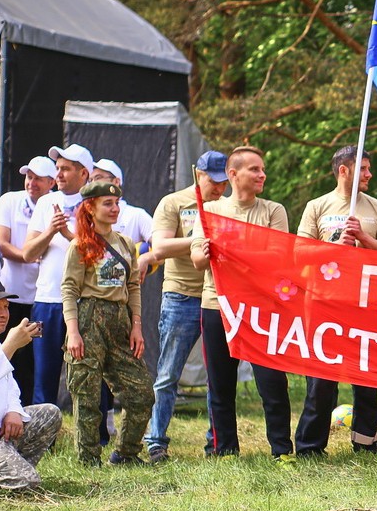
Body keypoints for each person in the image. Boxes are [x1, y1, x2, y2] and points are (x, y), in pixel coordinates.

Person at [191, 146, 296, 462]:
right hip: (216, 306)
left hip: (261, 307)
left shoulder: (273, 210)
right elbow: (198, 258)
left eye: (262, 169)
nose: (262, 174)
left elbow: (279, 257)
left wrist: (231, 251)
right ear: (233, 174)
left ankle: (281, 450)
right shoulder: (210, 212)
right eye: (254, 169)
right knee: (220, 385)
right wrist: (208, 253)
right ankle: (224, 449)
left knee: (272, 383)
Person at [295, 146, 377, 456]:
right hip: (323, 303)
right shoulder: (317, 206)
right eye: (364, 168)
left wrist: (366, 240)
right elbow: (299, 251)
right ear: (344, 171)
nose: (370, 174)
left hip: (367, 303)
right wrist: (333, 246)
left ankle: (366, 444)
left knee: (366, 374)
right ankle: (310, 447)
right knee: (320, 378)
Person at [142, 151, 229, 462]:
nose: (219, 188)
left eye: (224, 182)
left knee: (217, 376)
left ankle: (216, 443)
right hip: (180, 296)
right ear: (197, 174)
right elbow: (160, 247)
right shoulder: (174, 203)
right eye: (214, 181)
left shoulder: (228, 207)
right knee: (167, 374)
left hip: (217, 299)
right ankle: (156, 442)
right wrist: (199, 240)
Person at [60, 181, 155, 466]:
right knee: (86, 395)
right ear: (90, 207)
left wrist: (136, 325)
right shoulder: (79, 245)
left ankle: (126, 453)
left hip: (120, 320)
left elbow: (134, 286)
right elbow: (69, 289)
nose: (115, 209)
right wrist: (73, 332)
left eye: (116, 204)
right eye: (107, 204)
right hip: (89, 318)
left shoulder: (126, 243)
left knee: (141, 392)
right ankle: (88, 459)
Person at [22, 144, 93, 405]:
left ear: (84, 174)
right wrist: (50, 231)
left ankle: (96, 440)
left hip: (86, 302)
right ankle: (44, 443)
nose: (59, 174)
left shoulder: (96, 202)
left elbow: (101, 254)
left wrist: (68, 236)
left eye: (65, 169)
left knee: (89, 377)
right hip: (47, 302)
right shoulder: (46, 203)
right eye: (57, 168)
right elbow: (28, 253)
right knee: (44, 377)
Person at [0, 155, 56, 399]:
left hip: (39, 300)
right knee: (4, 352)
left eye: (39, 179)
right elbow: (3, 244)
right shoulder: (9, 200)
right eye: (29, 177)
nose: (32, 182)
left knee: (33, 360)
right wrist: (30, 255)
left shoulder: (57, 205)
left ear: (52, 182)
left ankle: (25, 412)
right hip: (8, 299)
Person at [0, 282, 61, 490]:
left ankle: (9, 465)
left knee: (51, 413)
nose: (3, 314)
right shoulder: (3, 346)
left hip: (2, 435)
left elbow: (10, 387)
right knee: (29, 482)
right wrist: (11, 345)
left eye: (6, 307)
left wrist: (14, 411)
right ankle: (10, 471)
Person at [91, 160, 154, 247]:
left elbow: (160, 245)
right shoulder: (88, 215)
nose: (93, 183)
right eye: (90, 180)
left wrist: (146, 257)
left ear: (116, 182)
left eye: (98, 178)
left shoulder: (136, 215)